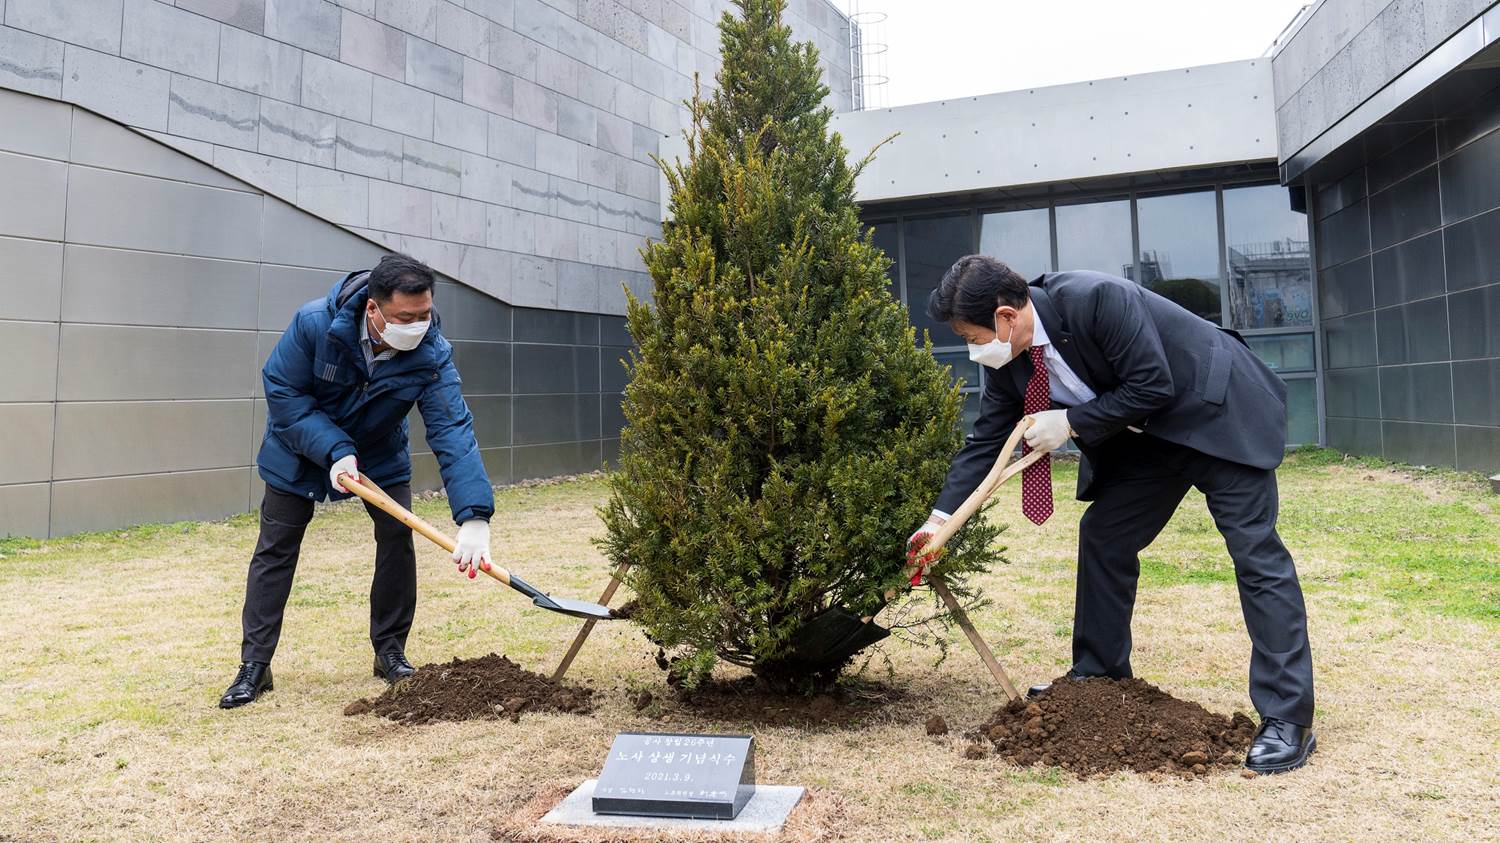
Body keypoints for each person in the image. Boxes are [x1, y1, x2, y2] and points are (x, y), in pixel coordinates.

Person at [907, 256, 1316, 774]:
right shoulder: (1009, 364)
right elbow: (985, 442)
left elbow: (1153, 384)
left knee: (1255, 553)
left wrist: (1071, 423)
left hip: (1217, 412)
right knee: (1103, 534)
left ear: (1007, 316)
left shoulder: (1097, 300)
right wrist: (937, 522)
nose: (972, 350)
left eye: (971, 335)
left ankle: (1287, 719)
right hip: (1151, 441)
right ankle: (1099, 676)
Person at [220, 254, 497, 709]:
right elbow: (283, 391)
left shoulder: (431, 354)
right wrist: (333, 449)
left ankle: (390, 651)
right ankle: (255, 665)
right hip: (298, 447)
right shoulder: (314, 324)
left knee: (395, 539)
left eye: (425, 314)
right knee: (275, 549)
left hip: (379, 452)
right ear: (374, 310)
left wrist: (474, 516)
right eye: (406, 317)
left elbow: (451, 428)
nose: (418, 325)